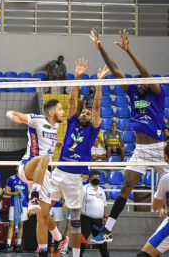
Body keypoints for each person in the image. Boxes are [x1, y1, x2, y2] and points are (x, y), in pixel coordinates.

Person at [90, 29, 167, 244]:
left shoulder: (158, 95)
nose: (141, 82)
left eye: (144, 80)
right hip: (141, 151)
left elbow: (146, 73)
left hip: (159, 149)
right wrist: (101, 48)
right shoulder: (133, 93)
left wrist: (129, 50)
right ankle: (107, 230)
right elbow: (116, 71)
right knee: (126, 187)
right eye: (140, 81)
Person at [50, 58, 108, 257]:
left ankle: (75, 255)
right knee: (42, 210)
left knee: (75, 221)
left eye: (88, 114)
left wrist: (98, 83)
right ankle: (58, 239)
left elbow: (98, 107)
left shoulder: (92, 132)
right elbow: (73, 100)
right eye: (84, 112)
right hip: (58, 172)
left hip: (75, 178)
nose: (85, 114)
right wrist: (77, 77)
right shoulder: (73, 123)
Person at [6, 99, 65, 256]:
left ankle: (55, 242)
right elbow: (12, 112)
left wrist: (56, 145)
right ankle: (34, 197)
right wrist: (12, 115)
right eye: (60, 109)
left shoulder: (56, 126)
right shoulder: (37, 120)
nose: (63, 112)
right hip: (28, 167)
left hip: (43, 173)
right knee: (43, 158)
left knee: (43, 216)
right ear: (51, 112)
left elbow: (47, 145)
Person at [135, 141, 169, 257]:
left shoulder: (165, 178)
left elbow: (155, 206)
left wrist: (161, 197)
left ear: (166, 156)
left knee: (144, 255)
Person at [80, 170, 109, 257]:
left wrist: (105, 216)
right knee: (82, 240)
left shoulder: (101, 190)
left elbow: (105, 204)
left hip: (98, 221)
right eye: (94, 177)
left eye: (97, 177)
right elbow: (79, 203)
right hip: (86, 219)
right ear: (90, 178)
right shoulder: (84, 189)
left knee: (101, 241)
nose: (96, 178)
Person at [2, 166, 28, 253]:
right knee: (11, 224)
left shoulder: (27, 178)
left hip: (23, 206)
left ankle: (18, 245)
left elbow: (31, 193)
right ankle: (8, 245)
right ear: (16, 168)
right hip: (13, 204)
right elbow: (6, 191)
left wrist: (31, 205)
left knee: (21, 225)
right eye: (18, 166)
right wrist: (14, 193)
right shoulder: (11, 178)